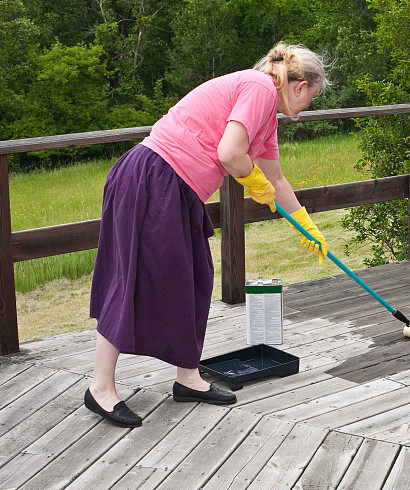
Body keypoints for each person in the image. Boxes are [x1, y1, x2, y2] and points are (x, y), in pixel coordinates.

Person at [84, 43, 329, 427]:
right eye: (312, 98)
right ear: (299, 87)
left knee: (196, 276)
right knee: (133, 279)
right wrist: (251, 179)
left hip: (178, 188)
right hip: (153, 177)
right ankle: (100, 388)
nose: (308, 106)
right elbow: (231, 153)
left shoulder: (267, 117)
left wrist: (305, 225)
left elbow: (276, 178)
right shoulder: (259, 89)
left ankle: (188, 378)